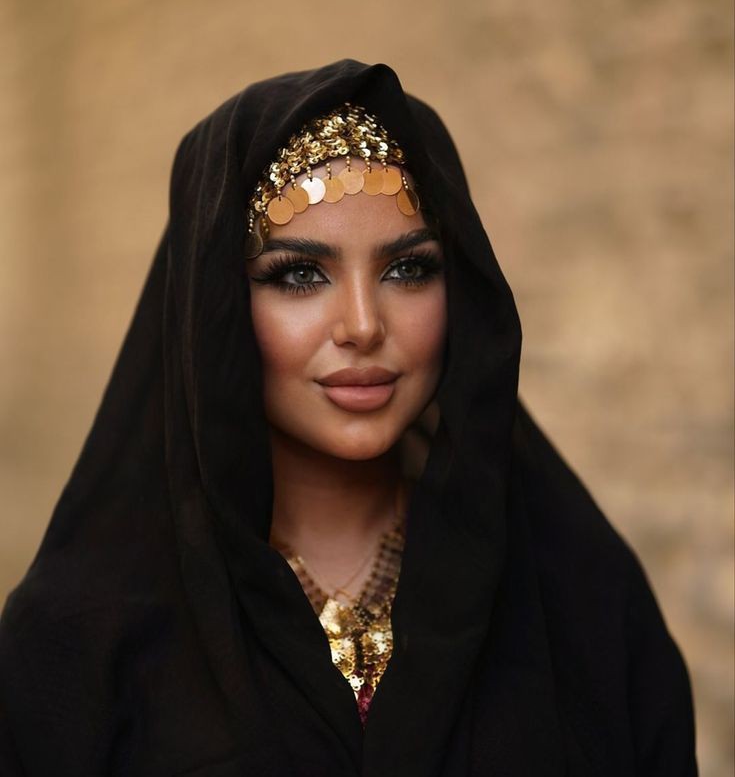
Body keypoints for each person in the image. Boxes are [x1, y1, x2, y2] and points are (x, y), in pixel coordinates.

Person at [0, 60, 697, 776]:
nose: (363, 325)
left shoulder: (579, 596)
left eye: (408, 270)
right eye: (299, 275)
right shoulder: (79, 642)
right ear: (213, 310)